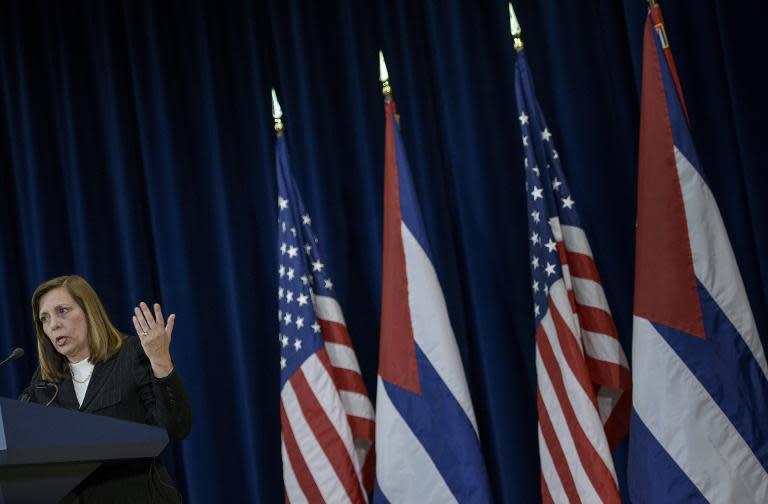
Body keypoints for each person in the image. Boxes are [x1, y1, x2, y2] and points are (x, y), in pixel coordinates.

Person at [19, 275, 192, 503]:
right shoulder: (42, 384)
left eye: (62, 311)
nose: (53, 325)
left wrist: (160, 361)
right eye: (44, 319)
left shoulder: (132, 355)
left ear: (90, 312)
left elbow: (176, 427)